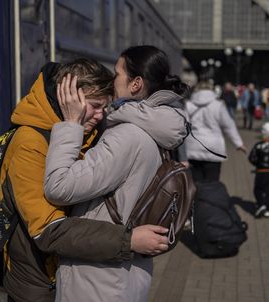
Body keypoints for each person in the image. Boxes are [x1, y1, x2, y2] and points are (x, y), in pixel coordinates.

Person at [0, 59, 169, 302]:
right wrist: (128, 240)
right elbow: (49, 232)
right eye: (94, 106)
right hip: (38, 282)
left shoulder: (86, 130)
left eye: (105, 106)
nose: (102, 115)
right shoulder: (30, 143)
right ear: (68, 98)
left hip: (69, 272)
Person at [43, 46, 189, 302]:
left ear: (135, 84)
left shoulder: (127, 136)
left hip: (98, 281)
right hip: (125, 274)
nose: (112, 80)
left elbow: (59, 186)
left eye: (117, 73)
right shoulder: (154, 134)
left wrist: (70, 125)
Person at [185, 81, 246, 183]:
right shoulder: (218, 105)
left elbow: (183, 127)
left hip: (193, 147)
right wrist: (239, 143)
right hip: (213, 149)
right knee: (212, 182)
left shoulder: (188, 105)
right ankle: (209, 198)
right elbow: (228, 126)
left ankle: (197, 198)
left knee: (195, 182)